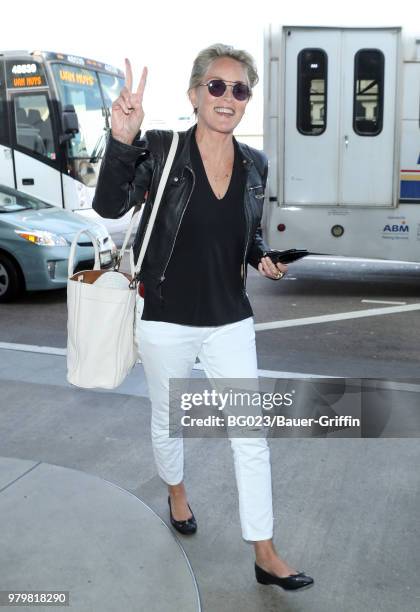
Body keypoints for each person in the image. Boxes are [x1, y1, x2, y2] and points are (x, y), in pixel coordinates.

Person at [92, 43, 314, 591]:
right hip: (165, 315)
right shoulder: (163, 150)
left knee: (250, 436)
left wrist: (259, 254)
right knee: (170, 420)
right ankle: (177, 493)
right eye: (217, 86)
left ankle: (263, 550)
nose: (228, 97)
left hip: (229, 319)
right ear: (194, 94)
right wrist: (122, 139)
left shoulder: (254, 164)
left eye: (240, 90)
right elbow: (109, 206)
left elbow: (241, 230)